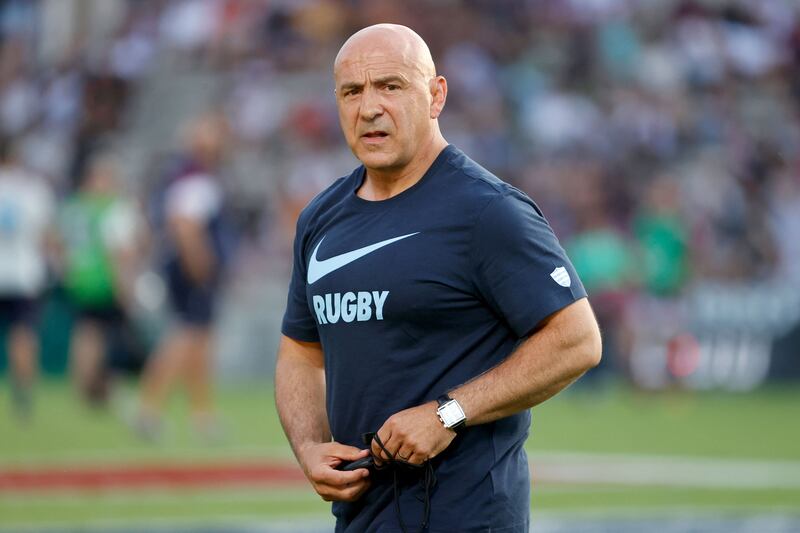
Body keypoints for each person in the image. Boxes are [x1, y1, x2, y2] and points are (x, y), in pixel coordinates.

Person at [275, 24, 602, 533]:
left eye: (390, 85)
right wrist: (310, 447)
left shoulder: (488, 211)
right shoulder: (321, 218)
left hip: (465, 517)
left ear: (435, 95)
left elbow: (577, 340)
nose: (369, 108)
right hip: (361, 519)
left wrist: (447, 414)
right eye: (352, 92)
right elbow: (300, 353)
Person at [133, 113, 231, 441]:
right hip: (191, 269)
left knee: (199, 343)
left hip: (185, 266)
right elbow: (185, 225)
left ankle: (202, 415)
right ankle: (149, 410)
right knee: (185, 337)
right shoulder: (195, 177)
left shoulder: (186, 174)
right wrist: (200, 266)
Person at [58, 152, 144, 406]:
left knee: (85, 332)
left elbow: (57, 241)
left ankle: (81, 385)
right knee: (106, 335)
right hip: (103, 278)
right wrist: (124, 286)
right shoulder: (111, 208)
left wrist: (67, 267)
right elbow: (120, 252)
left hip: (79, 277)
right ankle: (98, 387)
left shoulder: (75, 206)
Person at [0, 136, 54, 421]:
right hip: (23, 272)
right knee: (23, 335)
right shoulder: (32, 189)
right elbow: (45, 234)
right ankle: (23, 395)